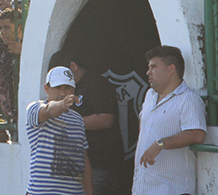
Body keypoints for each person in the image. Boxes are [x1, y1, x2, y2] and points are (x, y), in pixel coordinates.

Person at [132, 45, 206, 195]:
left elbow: (197, 134)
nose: (148, 72)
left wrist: (161, 144)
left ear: (170, 69)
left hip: (172, 190)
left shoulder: (188, 99)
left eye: (153, 67)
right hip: (142, 188)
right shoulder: (150, 95)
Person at [48, 51, 124, 195]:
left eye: (64, 74)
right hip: (74, 165)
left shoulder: (96, 83)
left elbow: (106, 119)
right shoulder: (67, 91)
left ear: (73, 66)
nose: (63, 88)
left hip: (99, 163)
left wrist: (67, 122)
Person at [26, 66, 93, 195]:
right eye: (58, 87)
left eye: (67, 88)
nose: (62, 93)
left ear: (73, 90)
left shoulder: (78, 119)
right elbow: (48, 110)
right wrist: (62, 105)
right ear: (46, 88)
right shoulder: (35, 108)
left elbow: (84, 159)